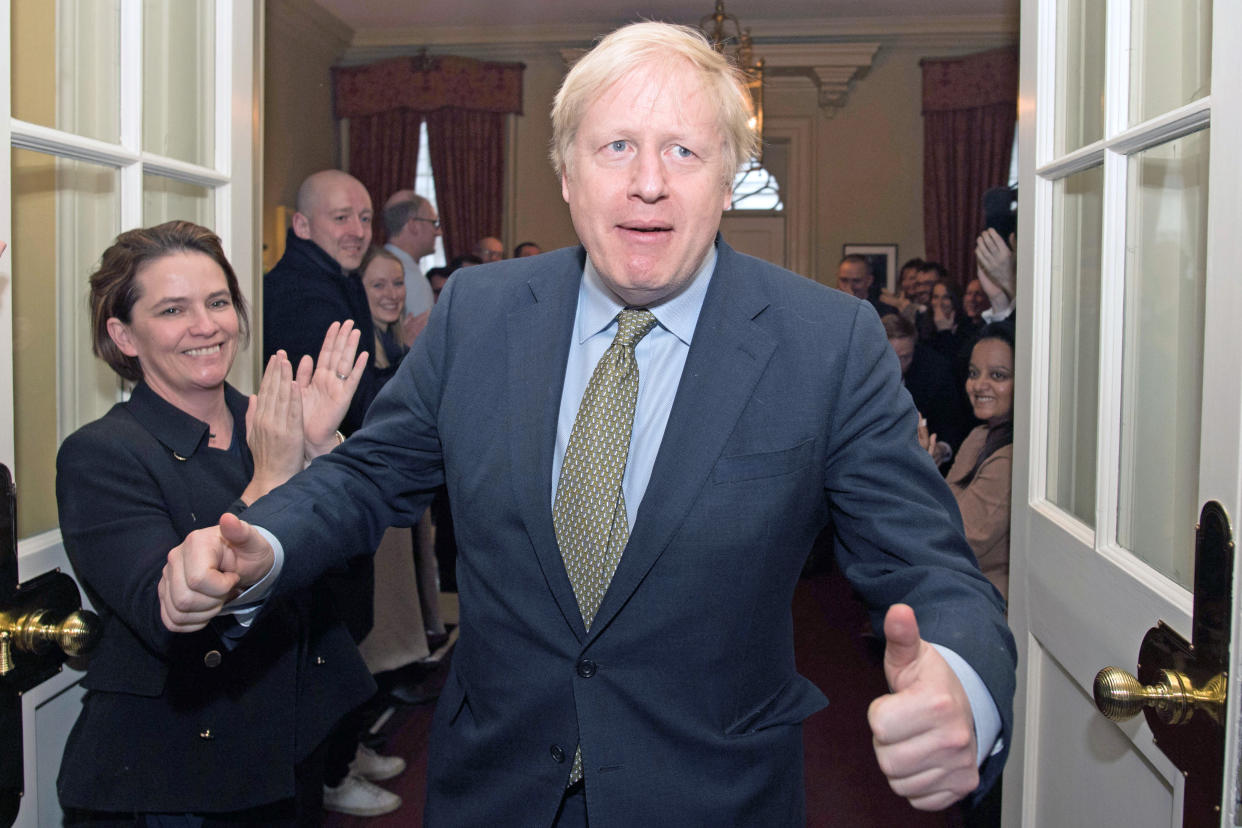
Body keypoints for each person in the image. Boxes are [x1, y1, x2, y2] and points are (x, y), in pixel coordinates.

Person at [160, 22, 1014, 826]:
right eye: (616, 148)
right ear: (568, 174)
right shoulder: (480, 314)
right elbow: (368, 473)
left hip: (712, 793)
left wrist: (963, 684)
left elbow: (927, 562)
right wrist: (259, 546)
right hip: (495, 786)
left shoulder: (825, 342)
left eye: (684, 149)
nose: (649, 180)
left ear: (728, 181)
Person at [54, 221, 373, 824]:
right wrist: (276, 481)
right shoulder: (101, 454)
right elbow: (173, 620)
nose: (206, 326)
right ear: (123, 335)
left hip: (294, 746)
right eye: (173, 309)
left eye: (218, 301)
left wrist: (323, 451)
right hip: (175, 778)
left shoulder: (274, 420)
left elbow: (348, 579)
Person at [264, 169, 378, 434]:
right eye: (341, 218)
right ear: (302, 226)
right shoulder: (300, 297)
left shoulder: (337, 279)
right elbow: (354, 407)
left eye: (365, 219)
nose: (359, 232)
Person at [933, 324, 1014, 601]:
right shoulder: (980, 435)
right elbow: (942, 507)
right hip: (953, 584)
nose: (979, 385)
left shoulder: (1009, 459)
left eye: (998, 375)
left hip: (980, 600)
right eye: (973, 373)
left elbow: (951, 542)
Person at [382, 190, 439, 325]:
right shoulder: (409, 277)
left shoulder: (374, 265)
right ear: (414, 225)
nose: (438, 232)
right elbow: (422, 340)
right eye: (434, 223)